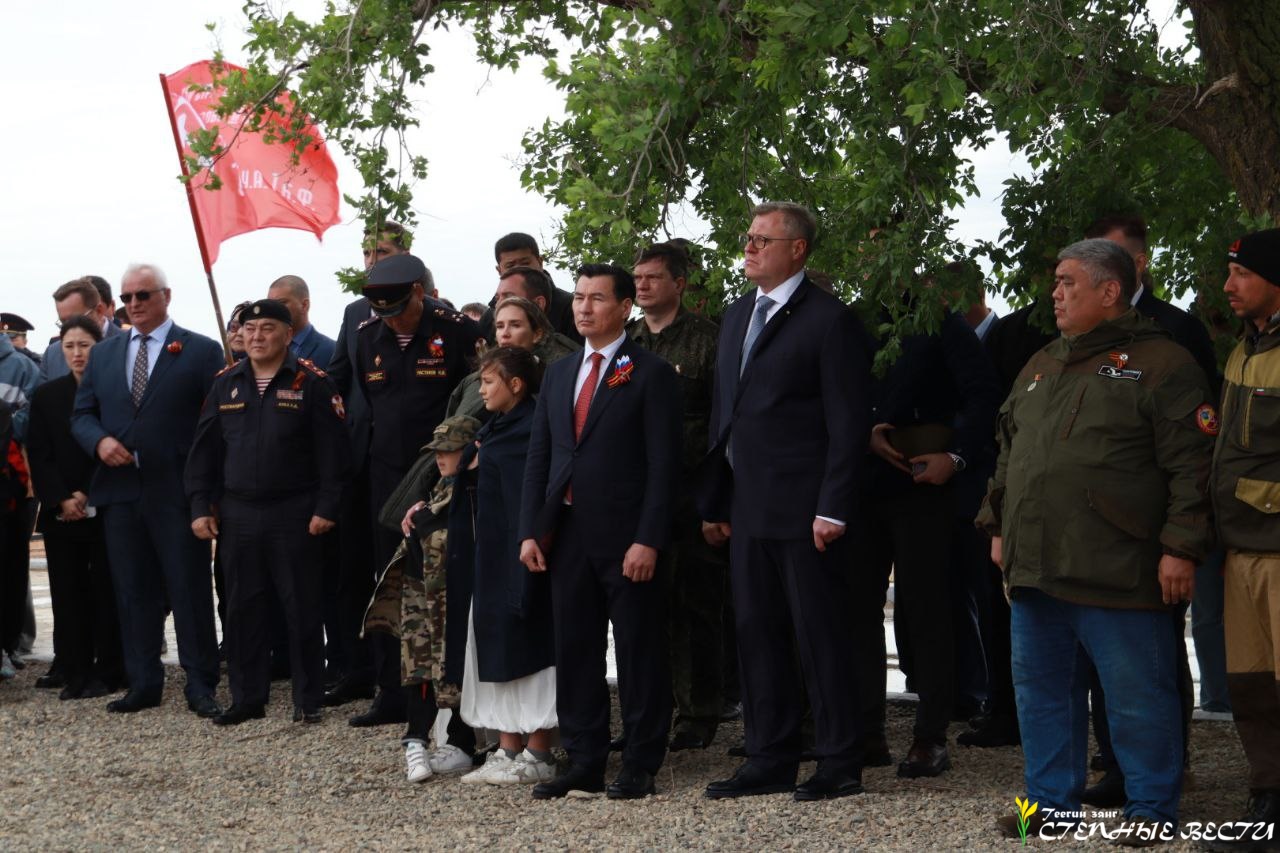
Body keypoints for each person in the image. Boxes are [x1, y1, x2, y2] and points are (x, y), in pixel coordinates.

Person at [977, 239, 1215, 837]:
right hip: (1037, 568)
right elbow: (1008, 453)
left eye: (1068, 283)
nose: (1055, 294)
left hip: (1119, 567)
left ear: (1110, 291)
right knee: (1041, 699)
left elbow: (1193, 467)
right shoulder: (1041, 363)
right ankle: (1049, 809)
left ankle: (1151, 812)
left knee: (1138, 700)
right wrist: (997, 525)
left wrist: (1181, 548)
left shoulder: (1164, 364)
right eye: (1056, 282)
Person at [697, 202, 871, 802]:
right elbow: (726, 413)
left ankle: (839, 760)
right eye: (747, 238)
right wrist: (718, 499)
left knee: (820, 636)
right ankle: (769, 756)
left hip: (806, 509)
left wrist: (834, 506)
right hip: (748, 505)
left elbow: (848, 422)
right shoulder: (737, 313)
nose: (749, 248)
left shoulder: (830, 320)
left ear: (797, 249)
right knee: (757, 632)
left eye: (762, 240)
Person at [519, 263, 682, 800]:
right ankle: (584, 759)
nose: (584, 308)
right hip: (567, 535)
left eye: (597, 298)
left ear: (624, 308)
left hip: (628, 538)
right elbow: (541, 457)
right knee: (575, 650)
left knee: (639, 651)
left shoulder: (650, 373)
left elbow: (665, 465)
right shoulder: (560, 372)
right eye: (579, 297)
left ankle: (640, 762)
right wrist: (531, 530)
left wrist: (649, 538)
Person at [70, 263, 225, 717]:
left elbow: (215, 423)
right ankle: (143, 682)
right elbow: (82, 414)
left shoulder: (200, 351)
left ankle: (201, 682)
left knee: (188, 588)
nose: (133, 304)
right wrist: (99, 442)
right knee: (133, 590)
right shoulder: (105, 354)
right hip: (120, 493)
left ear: (166, 296)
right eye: (126, 297)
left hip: (176, 491)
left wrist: (207, 492)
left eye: (143, 295)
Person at [185, 299, 350, 725]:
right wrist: (200, 505)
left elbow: (334, 453)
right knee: (242, 609)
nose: (257, 336)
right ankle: (247, 699)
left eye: (268, 328)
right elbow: (204, 452)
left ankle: (308, 698)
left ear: (288, 334)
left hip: (295, 512)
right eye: (250, 328)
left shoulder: (313, 382)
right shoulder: (226, 383)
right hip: (239, 513)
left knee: (302, 608)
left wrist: (327, 506)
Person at [859, 289, 1002, 778]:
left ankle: (930, 735)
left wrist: (956, 456)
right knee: (857, 611)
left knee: (928, 611)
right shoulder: (855, 318)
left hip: (923, 484)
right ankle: (867, 731)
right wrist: (865, 430)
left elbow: (983, 394)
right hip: (863, 484)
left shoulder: (937, 318)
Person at [348, 253, 482, 727]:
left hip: (442, 474)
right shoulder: (367, 337)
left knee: (443, 584)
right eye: (381, 311)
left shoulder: (458, 332)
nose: (391, 319)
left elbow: (476, 399)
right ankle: (392, 693)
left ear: (420, 294)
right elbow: (368, 405)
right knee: (389, 580)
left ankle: (453, 699)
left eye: (398, 309)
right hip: (387, 475)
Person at [625, 240, 726, 751]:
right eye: (637, 277)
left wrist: (716, 500)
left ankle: (699, 713)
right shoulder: (628, 342)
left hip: (691, 491)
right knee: (644, 609)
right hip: (638, 493)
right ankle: (650, 714)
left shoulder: (709, 340)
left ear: (679, 284)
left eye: (653, 277)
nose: (642, 285)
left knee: (695, 607)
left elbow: (722, 424)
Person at [1203, 228, 1280, 850]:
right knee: (1251, 686)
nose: (1228, 286)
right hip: (1241, 548)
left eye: (1242, 274)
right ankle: (1268, 799)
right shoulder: (1243, 348)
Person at [459, 347, 557, 785]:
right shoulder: (494, 427)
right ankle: (507, 745)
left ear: (515, 385)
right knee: (495, 639)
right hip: (492, 551)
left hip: (524, 548)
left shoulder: (533, 426)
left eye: (488, 382)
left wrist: (530, 537)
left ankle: (539, 749)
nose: (481, 391)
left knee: (529, 638)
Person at [324, 220, 412, 711]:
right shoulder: (355, 312)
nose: (372, 261)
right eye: (366, 254)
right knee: (356, 572)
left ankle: (407, 685)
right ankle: (364, 675)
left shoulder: (433, 310)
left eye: (382, 252)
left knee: (400, 574)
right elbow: (337, 379)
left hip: (409, 466)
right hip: (361, 461)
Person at [26, 316, 124, 699]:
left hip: (104, 504)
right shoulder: (48, 395)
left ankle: (110, 668)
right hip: (61, 511)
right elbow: (39, 452)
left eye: (85, 345)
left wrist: (86, 492)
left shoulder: (113, 392)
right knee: (67, 592)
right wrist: (62, 498)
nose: (77, 353)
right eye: (69, 346)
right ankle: (74, 668)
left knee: (105, 589)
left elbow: (115, 444)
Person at [383, 415, 482, 782]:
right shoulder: (439, 487)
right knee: (420, 665)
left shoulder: (474, 491)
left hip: (452, 598)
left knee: (453, 667)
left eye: (449, 450)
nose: (440, 457)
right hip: (422, 596)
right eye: (437, 450)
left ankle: (459, 743)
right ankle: (416, 741)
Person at [0, 309, 40, 677]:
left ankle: (9, 643)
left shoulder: (22, 367)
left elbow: (32, 418)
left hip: (12, 484)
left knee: (11, 566)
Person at [478, 233, 582, 345]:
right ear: (499, 270)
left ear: (540, 262)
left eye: (525, 263)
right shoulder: (488, 319)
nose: (519, 270)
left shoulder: (571, 307)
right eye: (510, 266)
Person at [40, 277, 123, 384]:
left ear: (99, 311)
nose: (69, 328)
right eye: (63, 322)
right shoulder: (52, 355)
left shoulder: (128, 345)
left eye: (75, 320)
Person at [268, 275, 336, 368]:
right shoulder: (261, 348)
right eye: (270, 304)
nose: (273, 310)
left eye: (282, 303)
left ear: (304, 305)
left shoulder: (332, 351)